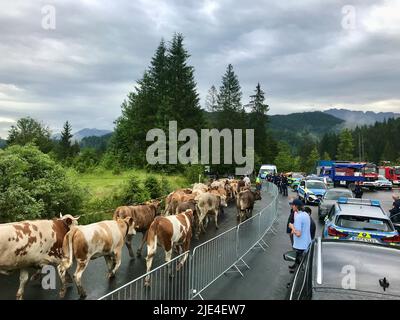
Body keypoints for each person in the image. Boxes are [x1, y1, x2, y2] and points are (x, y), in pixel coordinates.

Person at [288, 199, 311, 273]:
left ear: (296, 206)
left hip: (300, 246)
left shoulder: (299, 217)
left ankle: (295, 283)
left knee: (299, 268)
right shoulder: (306, 214)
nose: (292, 206)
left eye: (293, 205)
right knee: (302, 265)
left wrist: (292, 226)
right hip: (306, 244)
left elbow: (298, 234)